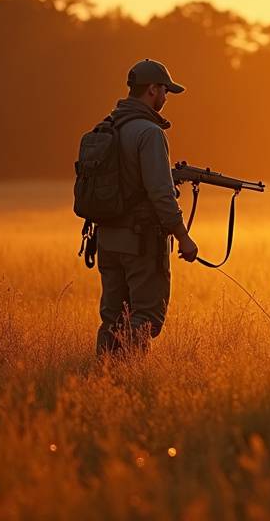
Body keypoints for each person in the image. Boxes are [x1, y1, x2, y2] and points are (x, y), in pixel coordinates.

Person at [95, 58, 199, 356]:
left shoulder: (109, 126)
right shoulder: (150, 133)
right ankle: (127, 378)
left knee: (113, 318)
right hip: (140, 243)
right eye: (165, 91)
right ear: (152, 89)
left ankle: (103, 380)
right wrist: (183, 237)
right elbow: (161, 196)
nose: (166, 98)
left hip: (107, 240)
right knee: (146, 319)